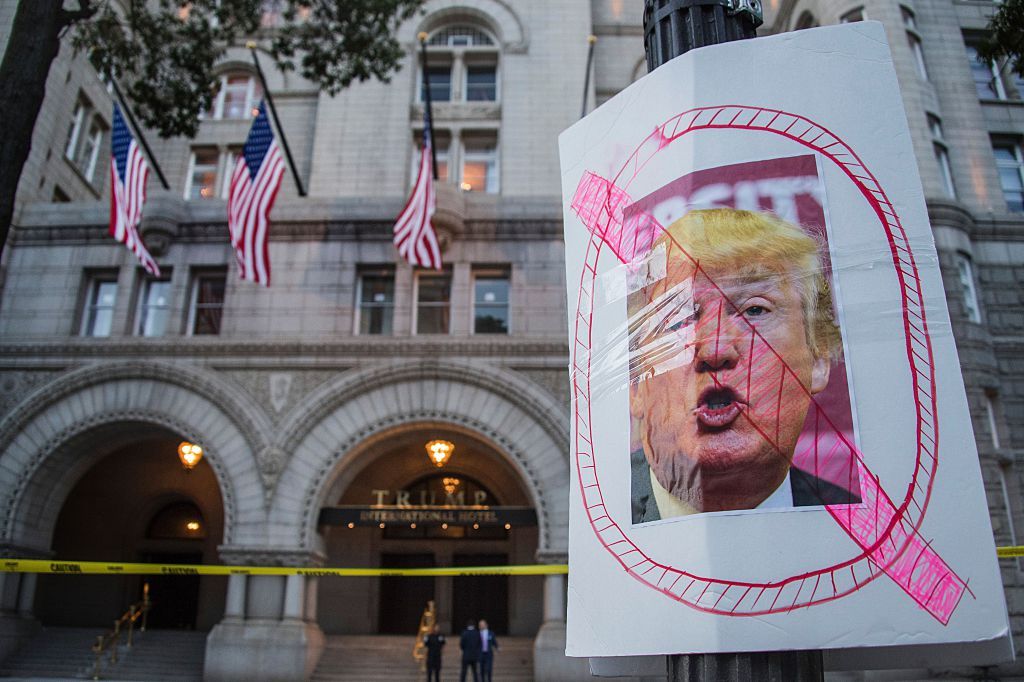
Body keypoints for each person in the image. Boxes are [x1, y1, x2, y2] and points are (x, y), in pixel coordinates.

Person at [628, 208, 860, 522]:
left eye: (754, 310)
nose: (714, 349)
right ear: (636, 384)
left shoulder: (860, 524)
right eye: (679, 318)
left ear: (817, 357)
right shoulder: (595, 521)